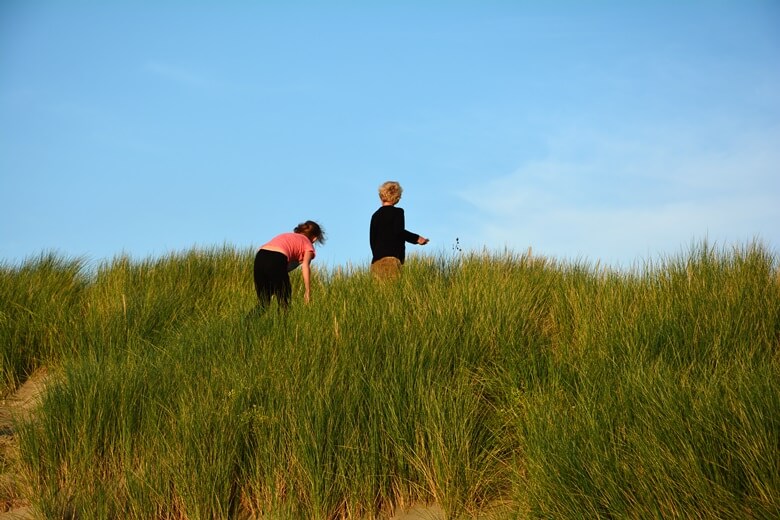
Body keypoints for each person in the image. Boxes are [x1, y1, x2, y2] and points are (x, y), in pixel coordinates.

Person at [253, 220, 325, 309]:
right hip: (277, 257)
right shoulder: (308, 244)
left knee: (263, 304)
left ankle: (246, 323)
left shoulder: (286, 235)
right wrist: (307, 291)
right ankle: (282, 323)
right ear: (315, 238)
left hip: (260, 256)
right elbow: (305, 266)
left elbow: (281, 267)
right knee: (285, 303)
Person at [369, 181, 429, 279]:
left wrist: (377, 255)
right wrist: (417, 238)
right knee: (392, 290)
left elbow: (372, 240)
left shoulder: (375, 216)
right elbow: (399, 232)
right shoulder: (398, 212)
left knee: (378, 292)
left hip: (376, 262)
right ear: (397, 198)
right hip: (392, 259)